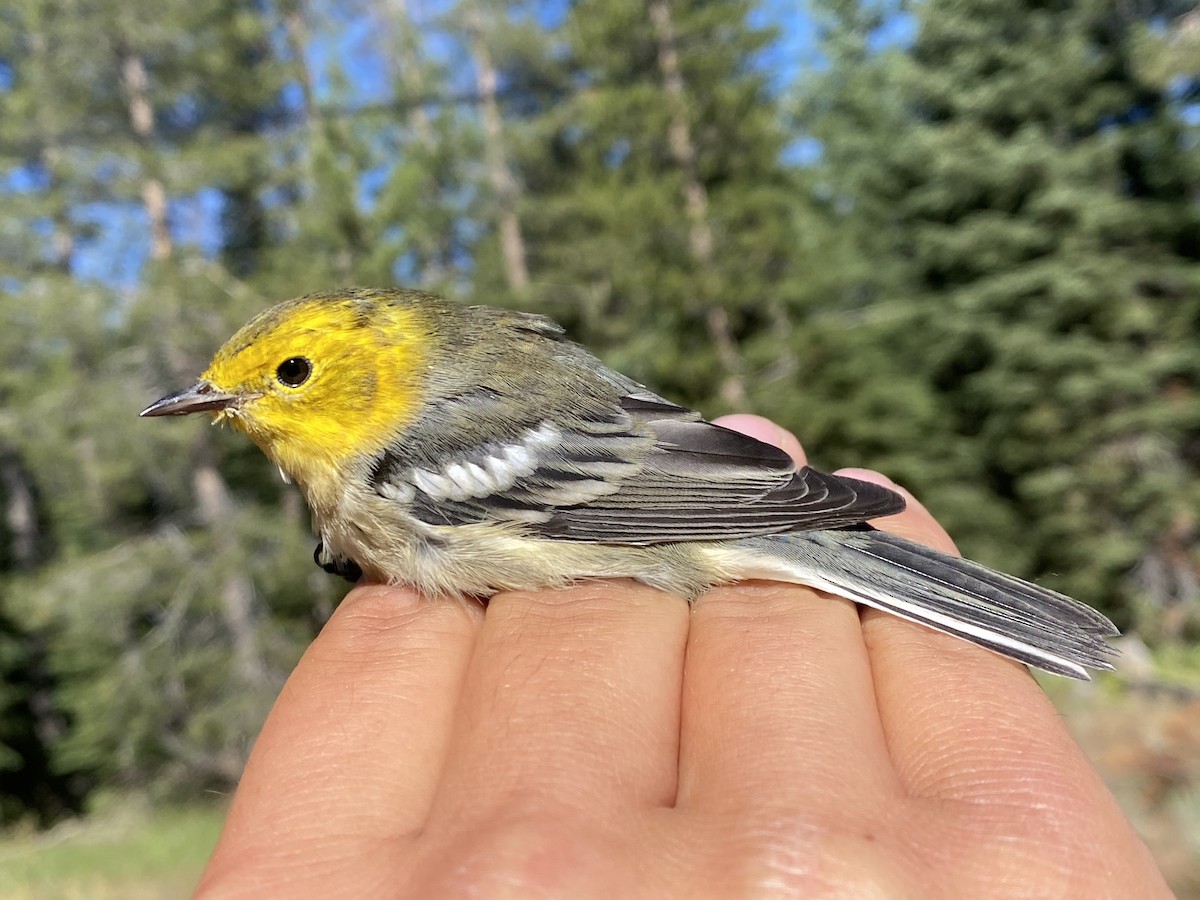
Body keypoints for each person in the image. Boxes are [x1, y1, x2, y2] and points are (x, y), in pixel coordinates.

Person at [194, 416, 1170, 897]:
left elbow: (597, 494)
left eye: (288, 375)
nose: (232, 404)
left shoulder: (407, 455)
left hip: (671, 517)